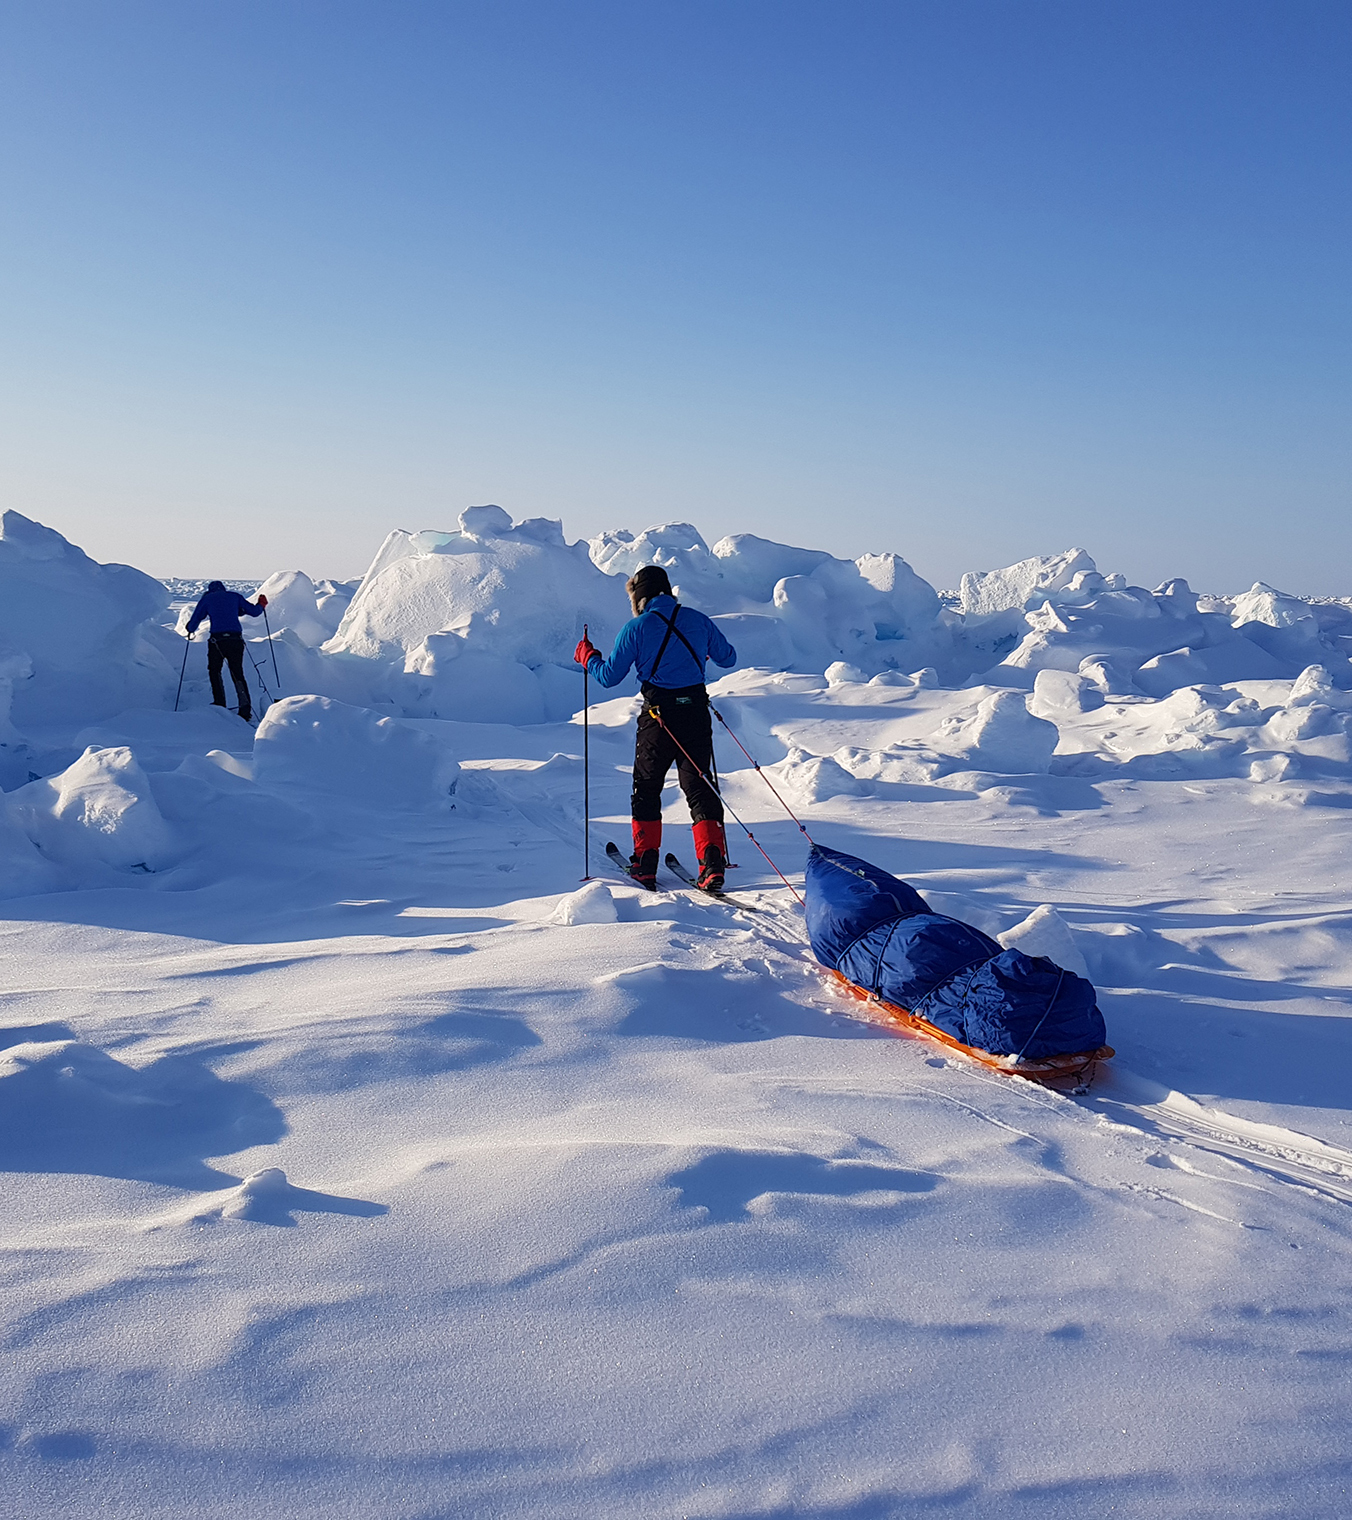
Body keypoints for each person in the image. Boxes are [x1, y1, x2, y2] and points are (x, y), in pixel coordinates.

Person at [575, 565, 736, 891]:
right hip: (695, 714)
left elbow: (608, 677)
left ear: (639, 596)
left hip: (658, 717)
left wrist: (587, 656)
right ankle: (713, 862)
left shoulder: (637, 627)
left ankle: (645, 863)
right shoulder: (698, 620)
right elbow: (728, 658)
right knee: (699, 786)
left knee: (647, 789)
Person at [185, 581, 269, 723]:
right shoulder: (235, 596)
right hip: (235, 640)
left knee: (214, 670)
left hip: (217, 641)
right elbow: (254, 612)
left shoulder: (207, 599)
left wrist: (190, 630)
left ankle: (219, 703)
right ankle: (245, 709)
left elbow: (192, 624)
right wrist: (261, 604)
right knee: (237, 672)